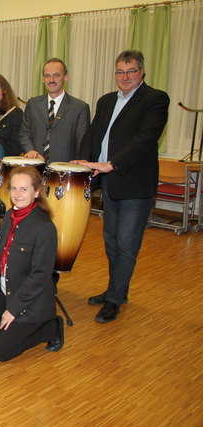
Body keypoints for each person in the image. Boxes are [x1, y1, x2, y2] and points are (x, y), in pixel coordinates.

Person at [75, 50, 169, 323]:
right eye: (120, 72)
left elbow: (145, 139)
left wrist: (112, 164)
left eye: (131, 71)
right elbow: (93, 134)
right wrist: (86, 160)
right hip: (110, 184)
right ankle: (116, 290)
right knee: (111, 241)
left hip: (134, 185)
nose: (125, 77)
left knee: (127, 244)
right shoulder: (106, 101)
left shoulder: (155, 99)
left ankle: (114, 299)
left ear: (142, 72)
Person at [0, 166, 64, 361]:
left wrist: (14, 309)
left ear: (36, 192)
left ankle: (49, 327)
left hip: (31, 301)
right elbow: (0, 262)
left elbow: (40, 277)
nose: (17, 194)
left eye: (24, 189)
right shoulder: (9, 215)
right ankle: (11, 327)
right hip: (6, 290)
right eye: (14, 188)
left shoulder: (45, 228)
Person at [20, 58, 90, 162]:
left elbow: (82, 144)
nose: (51, 80)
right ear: (43, 79)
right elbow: (24, 134)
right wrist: (29, 150)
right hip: (34, 168)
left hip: (64, 171)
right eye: (47, 76)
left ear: (65, 77)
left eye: (56, 75)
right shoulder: (33, 104)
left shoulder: (79, 108)